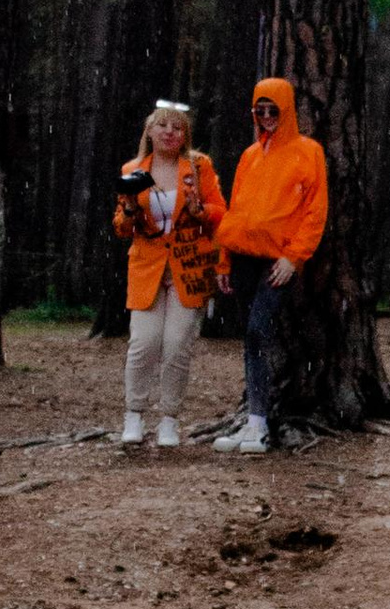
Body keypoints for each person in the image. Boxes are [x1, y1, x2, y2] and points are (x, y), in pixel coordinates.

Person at [214, 74, 329, 452]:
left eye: (272, 109)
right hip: (244, 257)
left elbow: (315, 212)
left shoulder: (308, 151)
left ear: (287, 110)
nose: (266, 116)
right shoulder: (250, 156)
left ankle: (261, 423)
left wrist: (294, 258)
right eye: (259, 110)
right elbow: (237, 212)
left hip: (277, 263)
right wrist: (224, 260)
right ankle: (252, 421)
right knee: (250, 337)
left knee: (258, 331)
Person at [112, 100, 226, 449]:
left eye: (177, 127)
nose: (169, 132)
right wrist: (130, 209)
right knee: (143, 344)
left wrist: (200, 210)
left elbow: (221, 211)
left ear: (185, 134)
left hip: (190, 266)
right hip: (147, 267)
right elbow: (120, 227)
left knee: (177, 345)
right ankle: (134, 414)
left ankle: (169, 420)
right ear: (150, 131)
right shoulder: (133, 169)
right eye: (162, 126)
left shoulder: (198, 166)